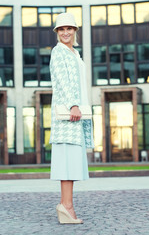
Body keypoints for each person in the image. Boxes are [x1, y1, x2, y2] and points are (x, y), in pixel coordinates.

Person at [49, 12, 94, 224]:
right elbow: (62, 80)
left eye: (69, 28)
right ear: (57, 32)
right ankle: (66, 206)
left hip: (76, 116)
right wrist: (73, 104)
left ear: (75, 30)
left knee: (72, 163)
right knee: (67, 163)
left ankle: (66, 205)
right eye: (61, 29)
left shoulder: (74, 53)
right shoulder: (58, 52)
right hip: (68, 116)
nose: (65, 32)